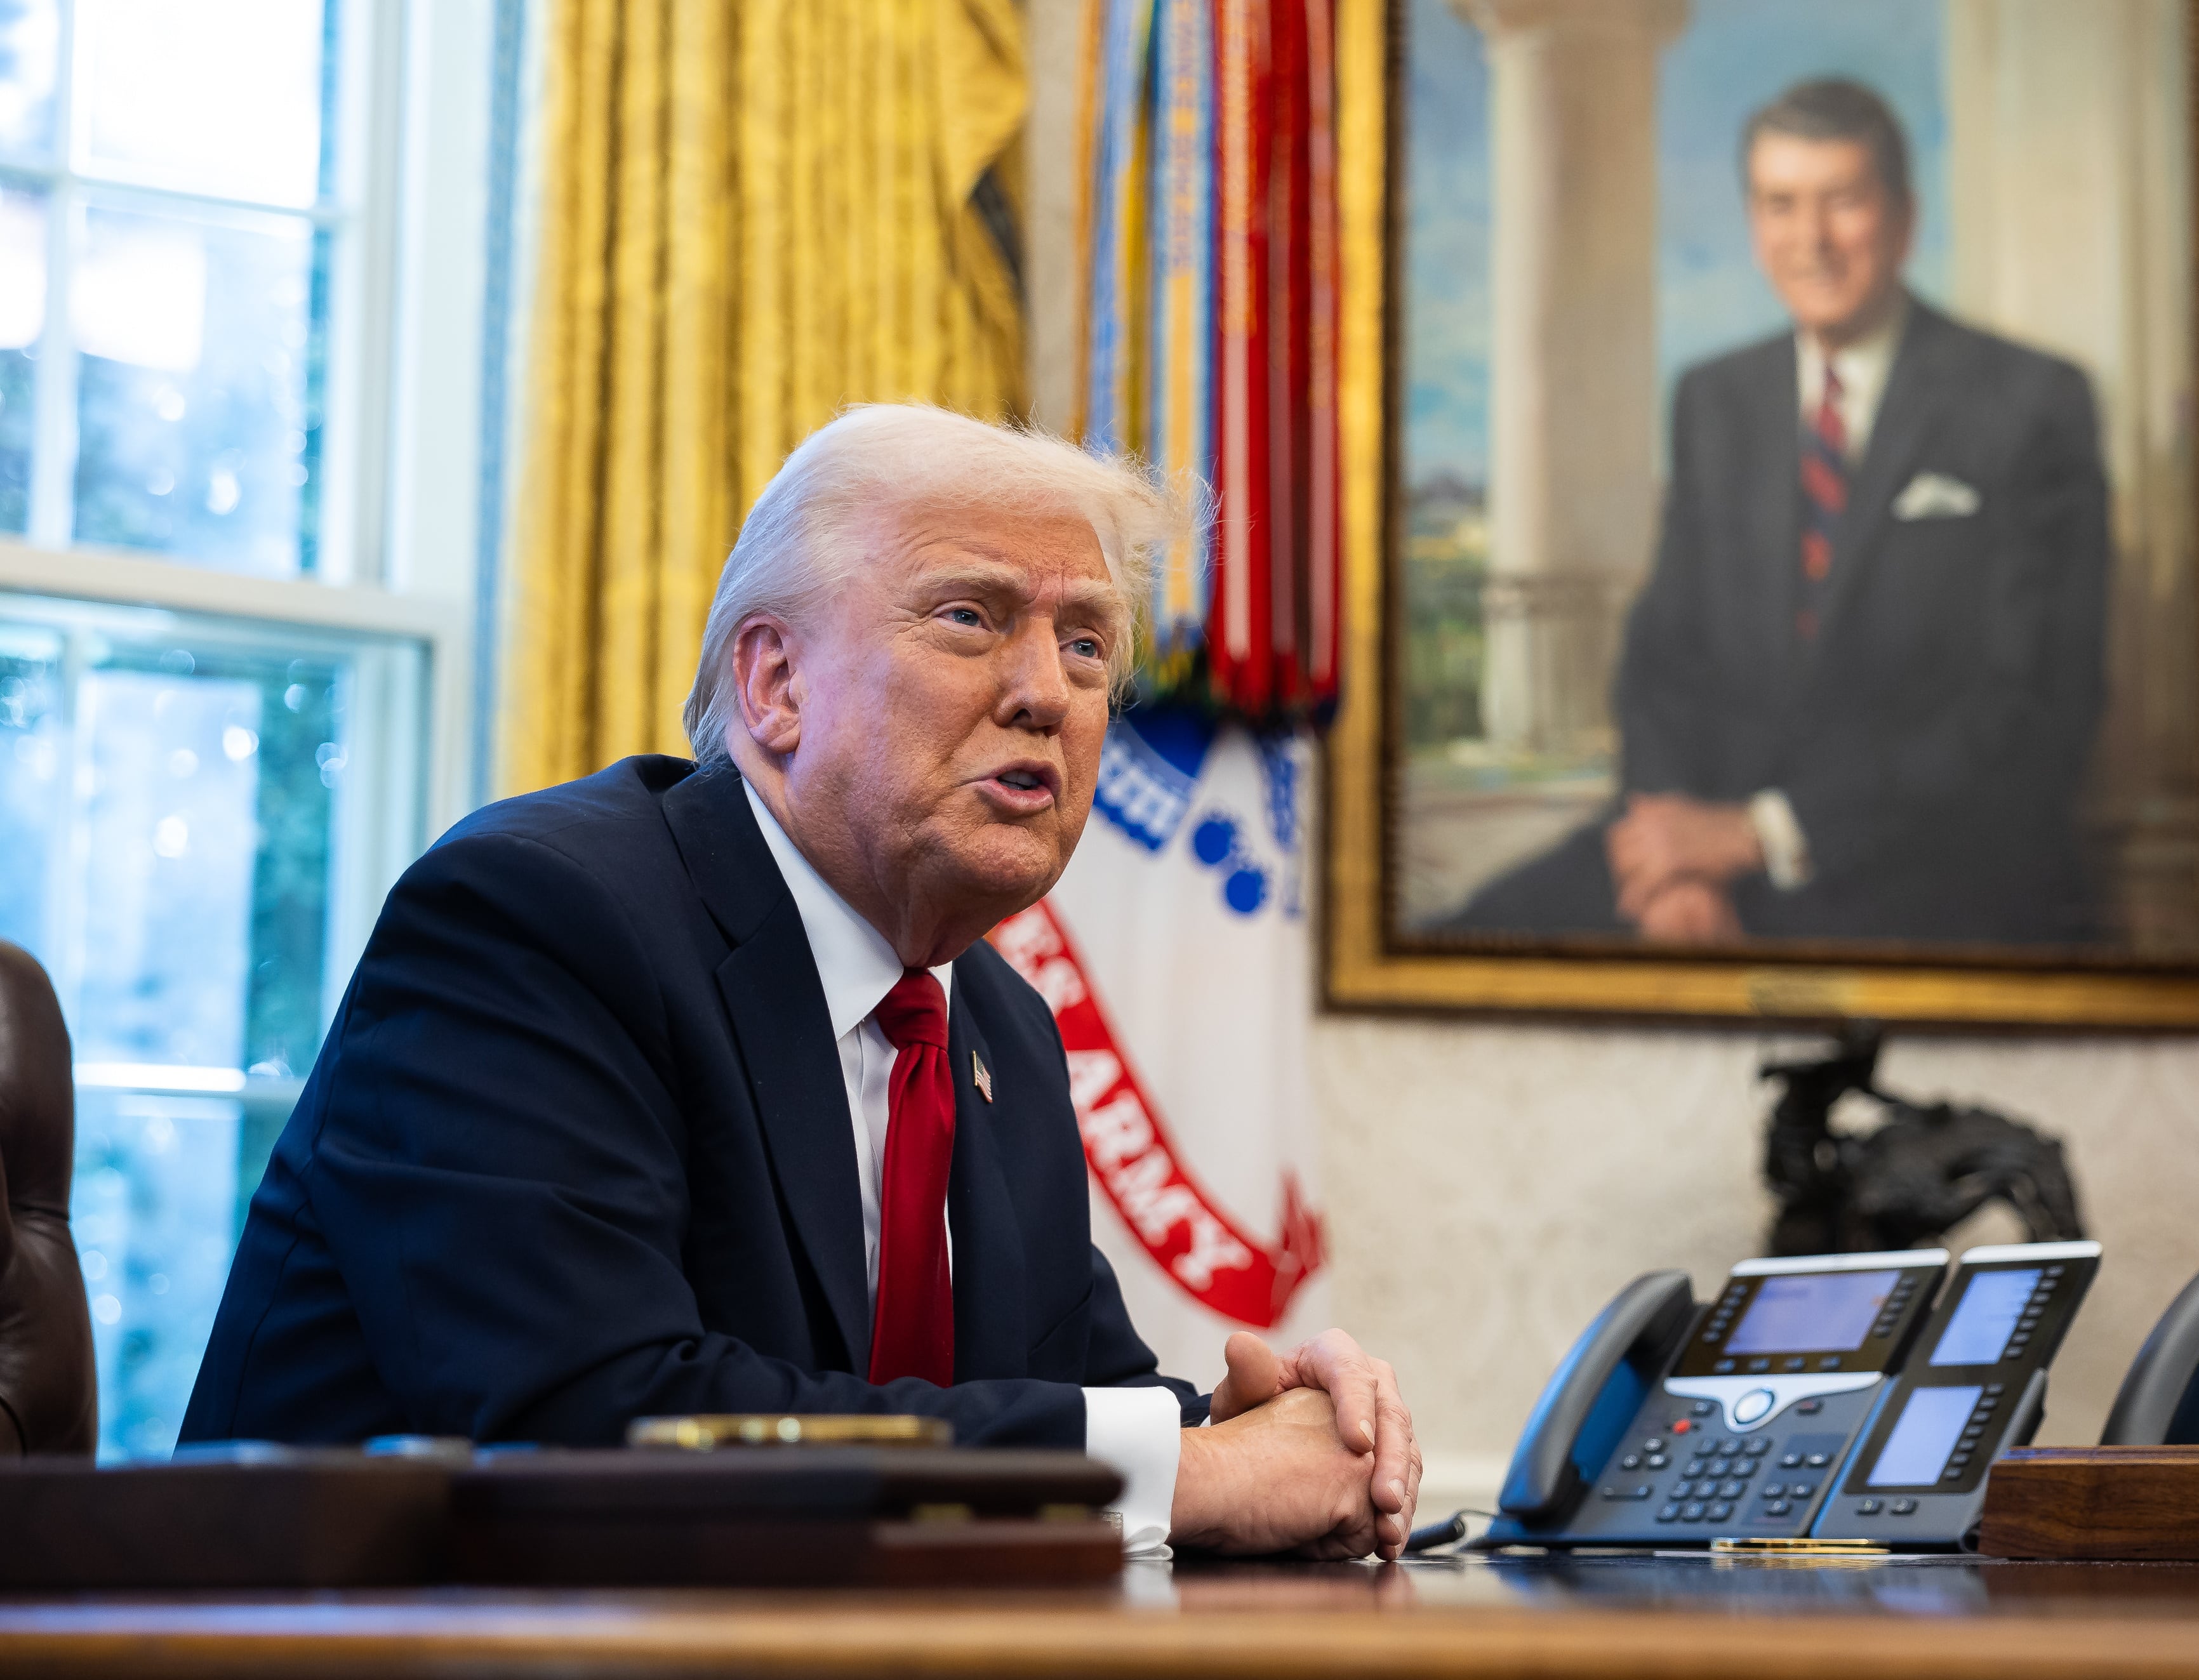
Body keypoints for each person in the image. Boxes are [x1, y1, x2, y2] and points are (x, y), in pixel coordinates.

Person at [181, 405, 1420, 1559]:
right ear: (776, 684)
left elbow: (1058, 1400)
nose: (1048, 692)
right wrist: (1192, 1471)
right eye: (971, 618)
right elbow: (591, 1430)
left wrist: (1264, 1429)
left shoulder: (998, 1027)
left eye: (1087, 644)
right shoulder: (536, 922)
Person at [1452, 77, 2110, 946]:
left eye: (1844, 202)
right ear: (1753, 224)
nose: (1811, 242)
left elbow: (2030, 712)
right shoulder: (1714, 400)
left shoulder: (2028, 404)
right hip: (1702, 851)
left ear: (1904, 220)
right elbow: (1661, 661)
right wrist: (1676, 865)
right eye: (1780, 206)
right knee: (1462, 940)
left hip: (1923, 871)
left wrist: (1763, 836)